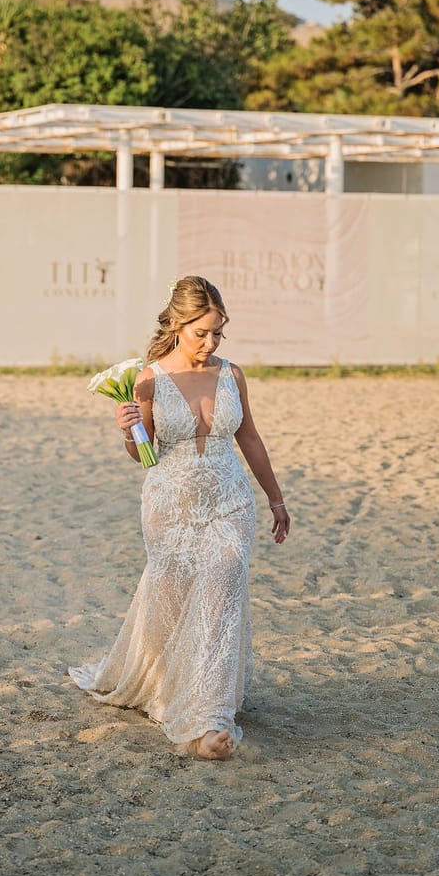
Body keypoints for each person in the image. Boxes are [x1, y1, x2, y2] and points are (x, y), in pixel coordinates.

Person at [69, 275, 290, 761]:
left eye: (218, 333)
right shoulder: (147, 379)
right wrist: (129, 431)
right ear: (176, 325)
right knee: (169, 595)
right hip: (170, 503)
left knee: (224, 578)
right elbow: (143, 455)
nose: (210, 344)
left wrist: (275, 498)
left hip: (230, 499)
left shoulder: (232, 374)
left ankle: (209, 719)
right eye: (201, 333)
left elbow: (249, 438)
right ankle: (164, 688)